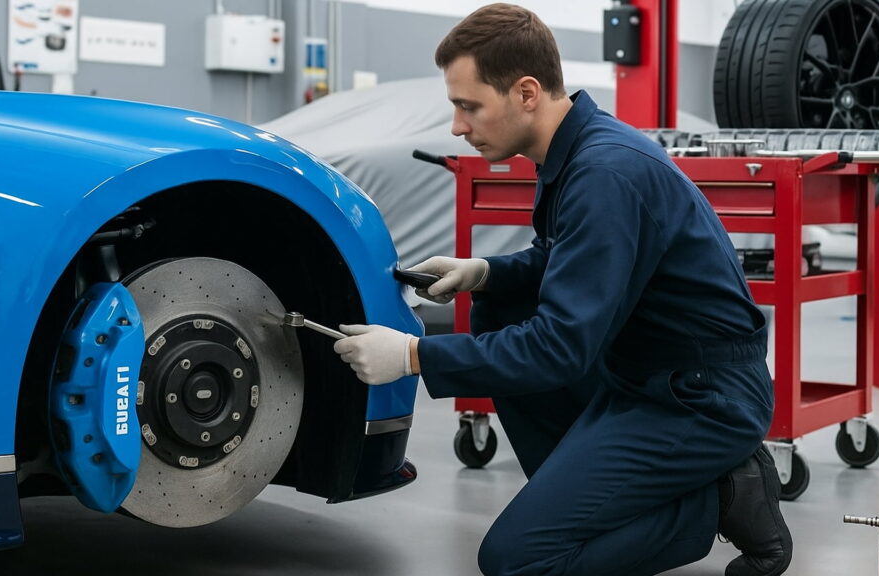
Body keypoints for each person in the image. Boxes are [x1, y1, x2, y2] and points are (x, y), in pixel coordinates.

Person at [333, 4, 792, 575]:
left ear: (526, 93)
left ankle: (721, 495)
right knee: (500, 308)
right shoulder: (577, 152)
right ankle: (593, 499)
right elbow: (568, 260)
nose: (457, 126)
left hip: (700, 399)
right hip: (645, 372)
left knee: (518, 560)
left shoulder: (604, 173)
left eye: (468, 105)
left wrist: (411, 356)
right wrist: (487, 273)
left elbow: (560, 347)